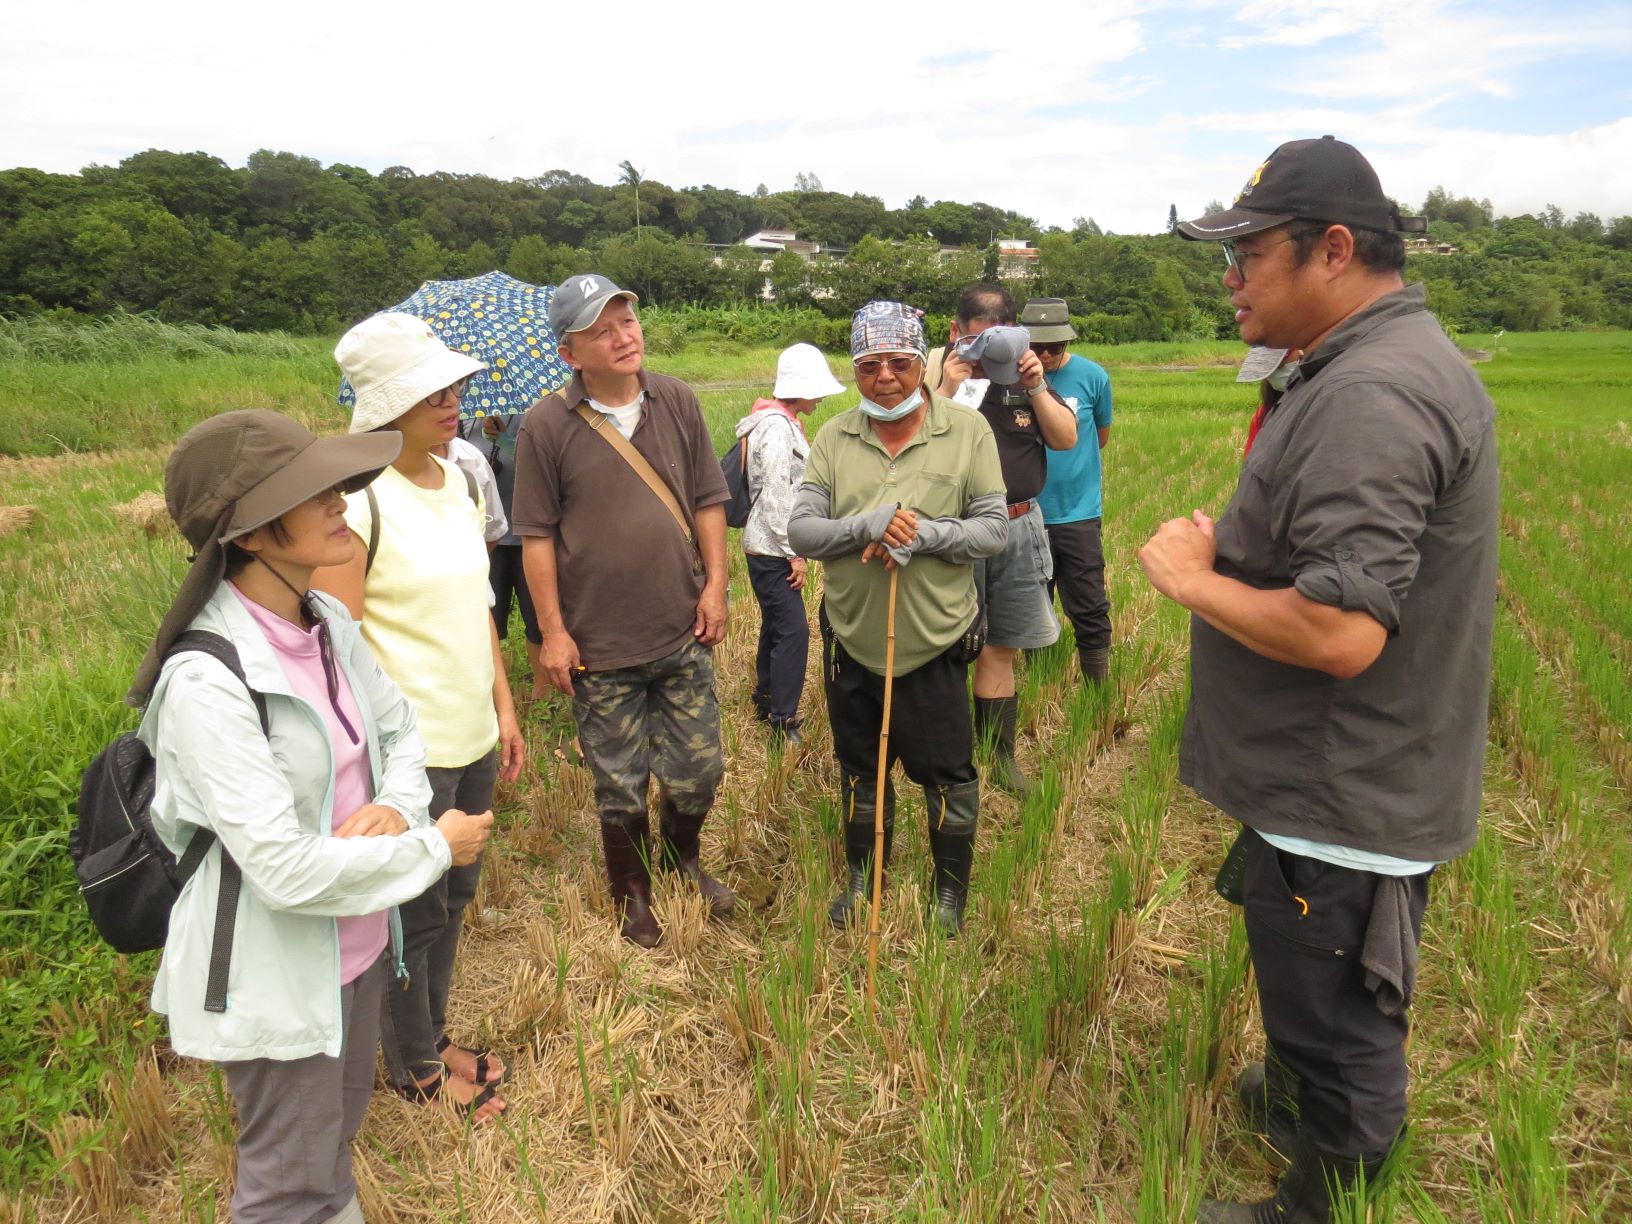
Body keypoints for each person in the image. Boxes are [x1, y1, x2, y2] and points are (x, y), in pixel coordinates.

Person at [1141, 136, 1495, 1223]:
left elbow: (1342, 636)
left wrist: (1194, 580)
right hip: (1333, 778)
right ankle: (1298, 1097)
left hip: (1348, 787)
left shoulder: (1373, 394)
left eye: (1248, 252)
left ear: (1332, 250)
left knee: (1341, 1018)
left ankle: (1318, 1196)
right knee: (1302, 976)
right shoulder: (1367, 365)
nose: (1230, 276)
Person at [128, 410, 495, 1224]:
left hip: (355, 947)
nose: (339, 501)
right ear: (253, 535)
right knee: (287, 1191)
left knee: (328, 1157)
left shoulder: (323, 623)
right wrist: (435, 843)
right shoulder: (206, 682)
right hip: (278, 973)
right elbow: (285, 869)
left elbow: (398, 729)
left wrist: (397, 811)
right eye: (311, 491)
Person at [316, 311, 526, 1121]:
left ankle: (430, 1037)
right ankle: (413, 1068)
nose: (454, 400)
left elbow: (478, 611)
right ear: (384, 407)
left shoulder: (463, 483)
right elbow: (337, 649)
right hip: (409, 759)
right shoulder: (360, 507)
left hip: (471, 736)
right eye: (432, 390)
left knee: (456, 898)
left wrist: (504, 710)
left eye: (456, 385)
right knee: (414, 913)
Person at [510, 273, 734, 948]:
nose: (623, 336)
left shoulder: (677, 400)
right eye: (601, 330)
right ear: (569, 353)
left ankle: (681, 858)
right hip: (599, 645)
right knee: (619, 781)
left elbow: (707, 501)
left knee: (701, 771)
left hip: (680, 627)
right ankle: (632, 893)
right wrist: (552, 632)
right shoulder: (545, 426)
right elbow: (537, 538)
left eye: (627, 321)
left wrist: (717, 585)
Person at [788, 301, 1008, 935]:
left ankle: (949, 891)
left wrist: (926, 534)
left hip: (933, 640)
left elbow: (993, 529)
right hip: (853, 638)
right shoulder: (833, 437)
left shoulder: (968, 431)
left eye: (899, 362)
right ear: (855, 371)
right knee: (859, 766)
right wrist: (868, 523)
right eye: (868, 365)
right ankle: (865, 879)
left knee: (947, 771)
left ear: (921, 364)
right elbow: (802, 529)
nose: (884, 376)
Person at [927, 283, 1077, 796]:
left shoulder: (1025, 375)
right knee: (945, 648)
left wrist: (1035, 386)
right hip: (955, 530)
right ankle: (948, 760)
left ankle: (1000, 759)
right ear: (955, 333)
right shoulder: (933, 377)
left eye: (998, 341)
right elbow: (912, 447)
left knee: (1001, 648)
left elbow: (1065, 438)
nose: (987, 353)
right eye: (975, 340)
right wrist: (946, 389)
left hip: (1016, 525)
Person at [732, 342, 845, 747]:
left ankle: (765, 697)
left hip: (764, 544)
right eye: (815, 388)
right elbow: (779, 498)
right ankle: (782, 718)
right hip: (771, 546)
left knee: (777, 626)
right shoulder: (777, 429)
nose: (818, 396)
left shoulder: (778, 422)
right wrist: (795, 553)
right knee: (795, 632)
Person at [1021, 297, 1115, 684]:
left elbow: (1101, 437)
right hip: (1025, 514)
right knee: (1031, 605)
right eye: (1035, 346)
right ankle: (1040, 688)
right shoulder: (1008, 379)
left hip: (1077, 514)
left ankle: (1098, 687)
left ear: (1067, 341)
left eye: (1053, 347)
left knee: (1089, 604)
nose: (1044, 355)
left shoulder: (1093, 377)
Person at [464, 413, 549, 699]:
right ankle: (489, 689)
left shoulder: (531, 419)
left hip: (529, 537)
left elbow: (538, 467)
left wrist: (504, 439)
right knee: (487, 616)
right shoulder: (465, 424)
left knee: (535, 616)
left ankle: (542, 690)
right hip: (485, 540)